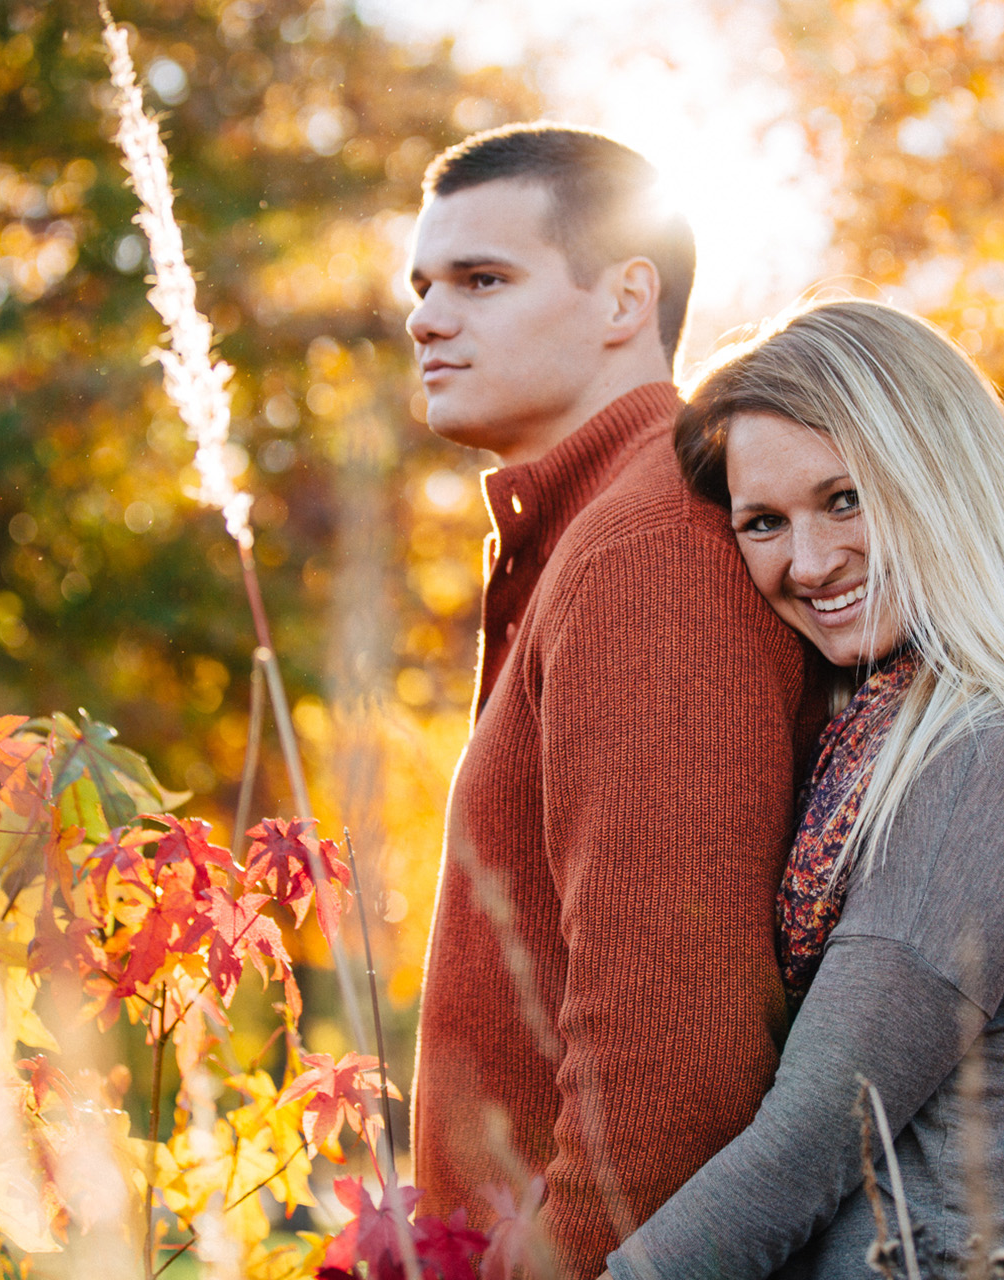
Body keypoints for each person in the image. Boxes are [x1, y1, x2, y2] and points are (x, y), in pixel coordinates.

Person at [603, 299, 1004, 1280]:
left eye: (846, 498)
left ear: (940, 477)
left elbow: (813, 1142)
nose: (811, 561)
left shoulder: (991, 746)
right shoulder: (889, 728)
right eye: (764, 522)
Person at [404, 123, 824, 1277]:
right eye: (424, 285)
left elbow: (675, 1051)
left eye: (483, 279)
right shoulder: (585, 533)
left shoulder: (647, 545)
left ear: (624, 296)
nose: (428, 318)